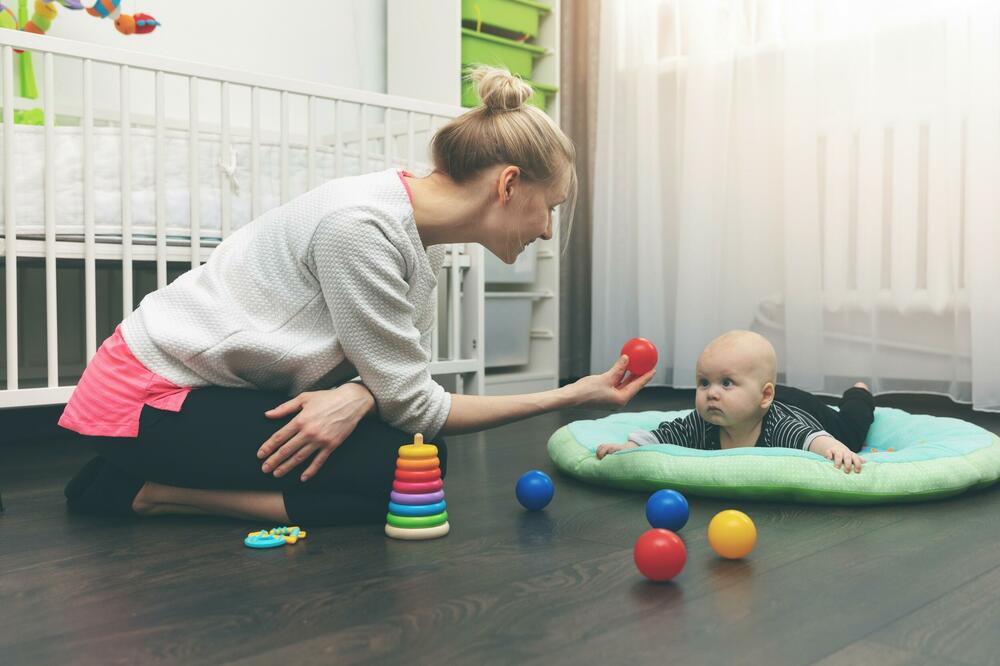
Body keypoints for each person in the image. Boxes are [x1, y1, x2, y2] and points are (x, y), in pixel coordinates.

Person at [58, 66, 654, 526]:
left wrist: (361, 398)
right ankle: (149, 493)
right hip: (143, 399)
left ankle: (142, 477)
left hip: (207, 391)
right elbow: (414, 402)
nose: (546, 230)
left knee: (416, 467)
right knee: (397, 478)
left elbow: (394, 379)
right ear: (507, 184)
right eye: (548, 208)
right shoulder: (362, 229)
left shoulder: (424, 234)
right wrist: (570, 394)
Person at [596, 330, 874, 474]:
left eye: (726, 383)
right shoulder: (703, 422)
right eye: (704, 382)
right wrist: (628, 447)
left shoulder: (779, 426)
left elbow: (812, 438)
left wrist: (835, 448)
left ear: (765, 395)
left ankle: (858, 393)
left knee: (851, 432)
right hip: (766, 396)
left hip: (803, 408)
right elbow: (666, 433)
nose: (712, 393)